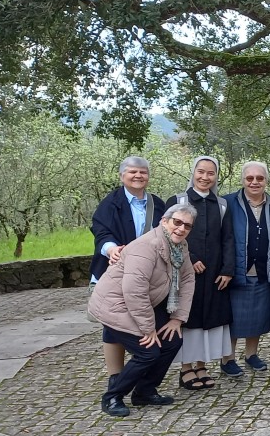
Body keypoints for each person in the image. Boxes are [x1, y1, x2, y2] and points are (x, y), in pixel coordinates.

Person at [88, 203, 197, 417]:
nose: (181, 228)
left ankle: (144, 391)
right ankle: (112, 397)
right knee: (148, 351)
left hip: (141, 303)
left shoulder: (180, 247)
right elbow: (134, 291)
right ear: (164, 221)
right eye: (177, 222)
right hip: (114, 305)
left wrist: (177, 318)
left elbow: (187, 278)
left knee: (173, 340)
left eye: (187, 225)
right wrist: (148, 329)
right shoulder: (146, 247)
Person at [89, 156, 167, 389]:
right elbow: (101, 232)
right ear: (122, 175)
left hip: (147, 274)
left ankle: (140, 374)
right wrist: (111, 249)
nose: (138, 176)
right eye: (133, 172)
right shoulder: (110, 202)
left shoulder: (157, 204)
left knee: (143, 317)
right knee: (114, 325)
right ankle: (116, 376)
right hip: (116, 271)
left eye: (143, 172)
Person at [170, 156, 235, 390]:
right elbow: (170, 235)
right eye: (201, 172)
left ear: (216, 176)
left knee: (209, 321)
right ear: (193, 172)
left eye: (210, 173)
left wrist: (228, 270)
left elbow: (228, 238)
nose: (205, 177)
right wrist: (191, 259)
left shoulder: (222, 204)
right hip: (186, 273)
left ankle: (202, 365)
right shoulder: (179, 200)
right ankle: (186, 368)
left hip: (215, 274)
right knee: (189, 319)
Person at [222, 162, 270, 375]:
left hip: (265, 268)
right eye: (250, 178)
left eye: (259, 178)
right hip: (237, 269)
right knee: (234, 317)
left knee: (259, 314)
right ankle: (228, 358)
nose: (254, 182)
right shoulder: (228, 203)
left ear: (266, 180)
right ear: (242, 180)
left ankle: (251, 354)